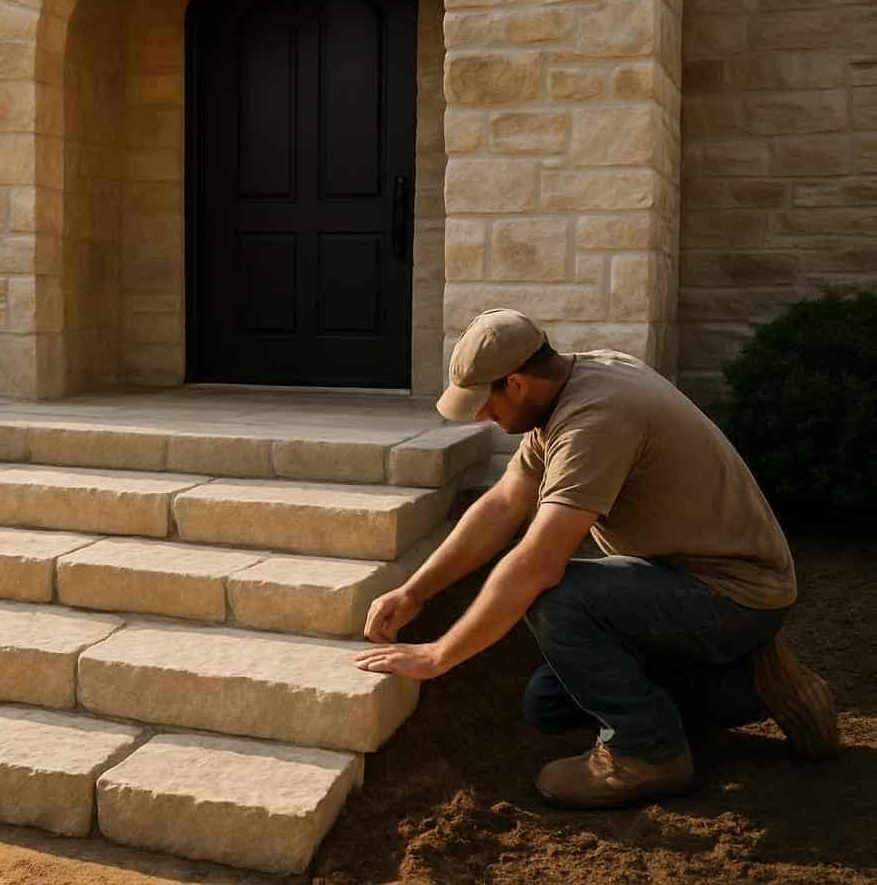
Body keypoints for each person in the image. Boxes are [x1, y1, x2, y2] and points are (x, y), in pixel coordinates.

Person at [355, 308, 840, 809]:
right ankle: (758, 686)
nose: (482, 416)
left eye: (485, 402)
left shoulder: (597, 416)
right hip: (675, 576)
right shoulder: (568, 386)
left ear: (516, 384)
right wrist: (415, 591)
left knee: (556, 597)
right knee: (549, 704)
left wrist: (439, 656)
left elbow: (538, 563)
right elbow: (502, 505)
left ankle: (648, 753)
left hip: (734, 593)